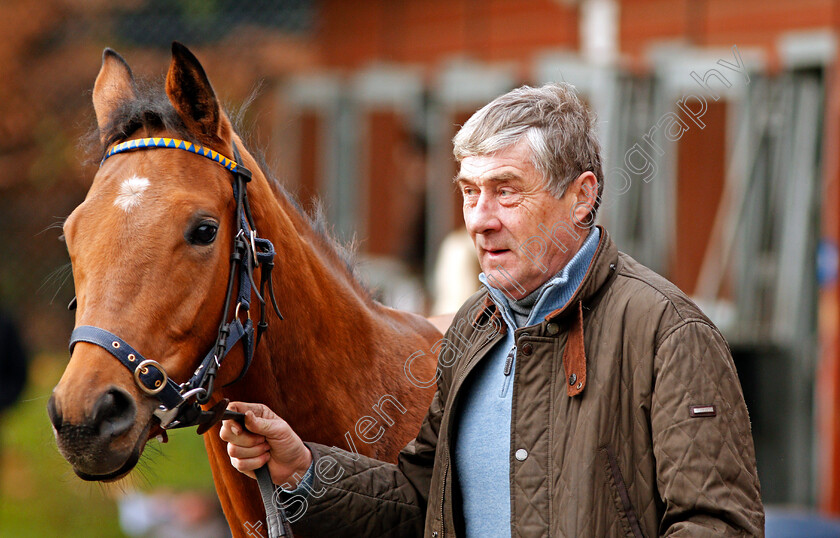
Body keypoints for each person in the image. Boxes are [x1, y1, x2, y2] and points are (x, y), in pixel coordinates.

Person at [221, 83, 765, 536]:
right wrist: (306, 468)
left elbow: (718, 525)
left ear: (581, 196)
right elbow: (421, 498)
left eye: (505, 191)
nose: (479, 220)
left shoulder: (667, 332)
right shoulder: (474, 328)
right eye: (469, 192)